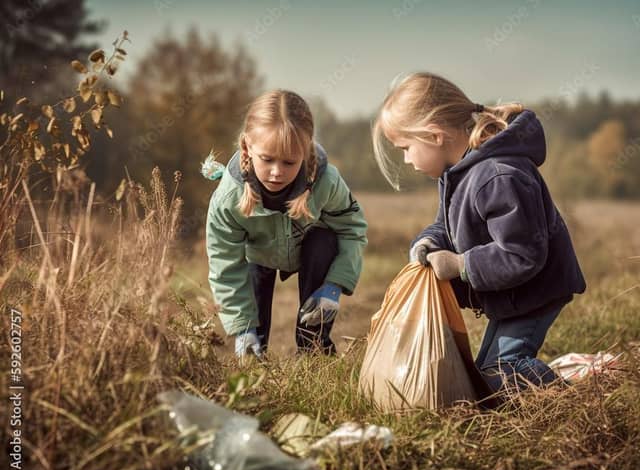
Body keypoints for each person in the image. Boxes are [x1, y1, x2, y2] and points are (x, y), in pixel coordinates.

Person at [372, 72, 586, 394]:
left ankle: (568, 398)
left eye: (405, 148)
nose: (406, 160)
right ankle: (552, 389)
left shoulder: (497, 176)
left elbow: (522, 254)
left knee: (504, 369)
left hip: (536, 291)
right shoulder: (458, 173)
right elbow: (446, 226)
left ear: (434, 135)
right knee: (488, 370)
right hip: (514, 295)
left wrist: (460, 265)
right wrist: (428, 242)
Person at [206, 89, 368, 359]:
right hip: (256, 254)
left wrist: (334, 286)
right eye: (267, 159)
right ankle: (253, 357)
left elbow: (352, 229)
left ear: (305, 153)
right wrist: (241, 327)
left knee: (324, 242)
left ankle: (313, 350)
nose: (277, 171)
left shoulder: (326, 182)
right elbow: (224, 263)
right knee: (252, 327)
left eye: (289, 162)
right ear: (247, 148)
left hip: (310, 248)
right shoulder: (228, 197)